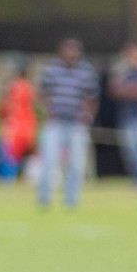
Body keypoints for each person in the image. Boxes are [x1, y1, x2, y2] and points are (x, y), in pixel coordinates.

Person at [36, 38, 100, 209]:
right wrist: (48, 113)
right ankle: (44, 197)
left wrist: (86, 117)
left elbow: (92, 97)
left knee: (77, 164)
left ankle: (71, 199)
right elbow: (44, 94)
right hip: (55, 122)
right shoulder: (52, 69)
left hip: (76, 124)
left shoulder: (85, 71)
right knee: (49, 160)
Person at [108, 42, 137, 187]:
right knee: (129, 151)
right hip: (126, 117)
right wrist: (130, 90)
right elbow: (114, 91)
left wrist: (126, 90)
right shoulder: (123, 71)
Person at [0, 64, 37, 175]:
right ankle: (8, 177)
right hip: (17, 125)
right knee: (11, 153)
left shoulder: (26, 87)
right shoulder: (18, 87)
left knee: (17, 154)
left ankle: (15, 176)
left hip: (22, 125)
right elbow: (5, 106)